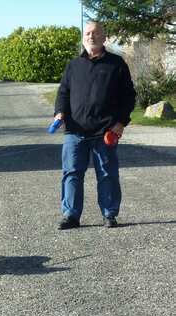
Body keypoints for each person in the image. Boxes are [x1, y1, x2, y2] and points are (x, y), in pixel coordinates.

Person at [54, 21, 136, 230]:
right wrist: (59, 113)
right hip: (75, 131)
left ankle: (109, 214)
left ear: (104, 37)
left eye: (96, 33)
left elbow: (128, 97)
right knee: (71, 173)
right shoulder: (73, 65)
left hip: (105, 131)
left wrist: (120, 123)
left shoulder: (117, 64)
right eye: (88, 33)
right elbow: (63, 93)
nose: (91, 36)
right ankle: (70, 215)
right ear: (83, 37)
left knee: (107, 174)